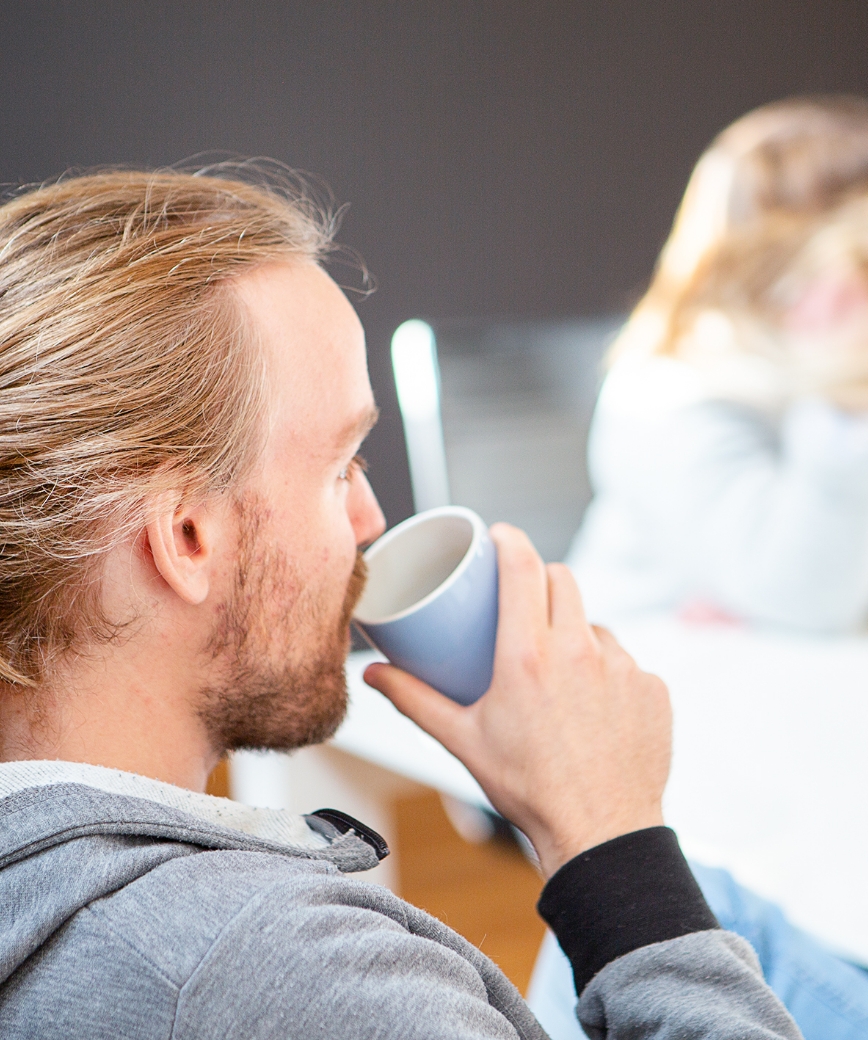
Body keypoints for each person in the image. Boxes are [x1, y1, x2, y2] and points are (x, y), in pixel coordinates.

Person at [0, 168, 799, 1039]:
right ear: (186, 536)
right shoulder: (283, 973)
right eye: (340, 466)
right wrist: (614, 840)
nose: (370, 518)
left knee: (733, 913)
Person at [567, 95, 868, 632]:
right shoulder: (665, 393)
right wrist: (854, 390)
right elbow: (813, 600)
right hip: (673, 668)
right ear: (821, 252)